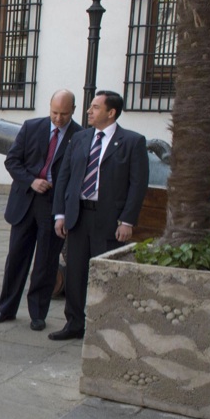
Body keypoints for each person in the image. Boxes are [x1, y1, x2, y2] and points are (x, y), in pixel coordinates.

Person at [50, 90, 148, 341]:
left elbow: (138, 185)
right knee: (75, 273)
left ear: (111, 112)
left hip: (109, 220)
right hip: (78, 216)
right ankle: (74, 323)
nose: (89, 111)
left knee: (105, 275)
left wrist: (127, 220)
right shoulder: (80, 139)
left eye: (94, 107)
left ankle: (104, 326)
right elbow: (65, 177)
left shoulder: (132, 142)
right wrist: (60, 214)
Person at [0, 90, 80, 331]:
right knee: (16, 257)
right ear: (49, 108)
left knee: (46, 262)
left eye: (64, 114)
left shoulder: (79, 135)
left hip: (53, 205)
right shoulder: (31, 127)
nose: (58, 119)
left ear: (73, 110)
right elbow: (12, 161)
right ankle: (5, 308)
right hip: (26, 200)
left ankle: (38, 313)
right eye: (54, 113)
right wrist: (31, 180)